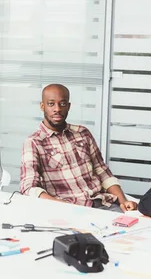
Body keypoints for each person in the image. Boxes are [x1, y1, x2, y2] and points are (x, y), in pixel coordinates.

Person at [20, 83, 137, 212]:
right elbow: (29, 187)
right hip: (67, 210)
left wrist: (123, 202)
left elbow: (102, 171)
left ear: (68, 106)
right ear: (42, 106)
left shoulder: (82, 133)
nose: (57, 109)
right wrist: (60, 206)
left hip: (102, 204)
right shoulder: (34, 142)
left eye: (62, 104)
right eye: (51, 104)